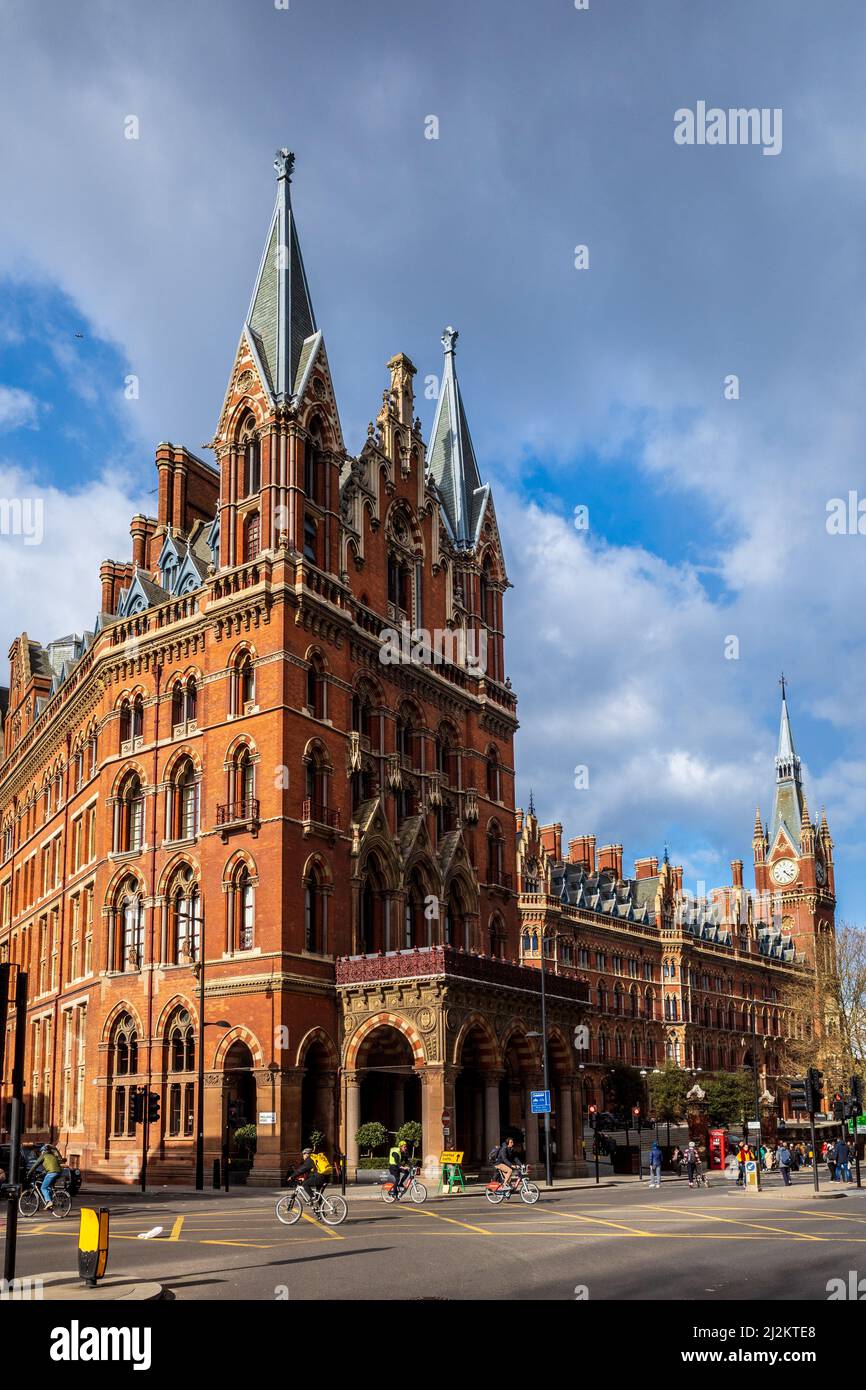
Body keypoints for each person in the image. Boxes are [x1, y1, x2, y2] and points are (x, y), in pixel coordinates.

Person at [286, 1147, 327, 1216]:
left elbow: (301, 1170)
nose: (303, 1156)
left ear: (307, 1154)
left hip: (320, 1177)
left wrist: (292, 1177)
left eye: (303, 1154)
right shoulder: (314, 1159)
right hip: (325, 1177)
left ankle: (313, 1199)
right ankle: (320, 1213)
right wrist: (304, 1178)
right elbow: (309, 1172)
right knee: (318, 1196)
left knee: (305, 1184)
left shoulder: (309, 1160)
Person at [37, 1144, 62, 1209]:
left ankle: (49, 1201)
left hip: (51, 1173)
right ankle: (51, 1203)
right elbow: (60, 1160)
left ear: (43, 1151)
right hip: (59, 1173)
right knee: (49, 1187)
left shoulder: (43, 1156)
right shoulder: (53, 1156)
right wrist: (54, 1148)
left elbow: (35, 1165)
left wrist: (29, 1173)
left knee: (43, 1188)